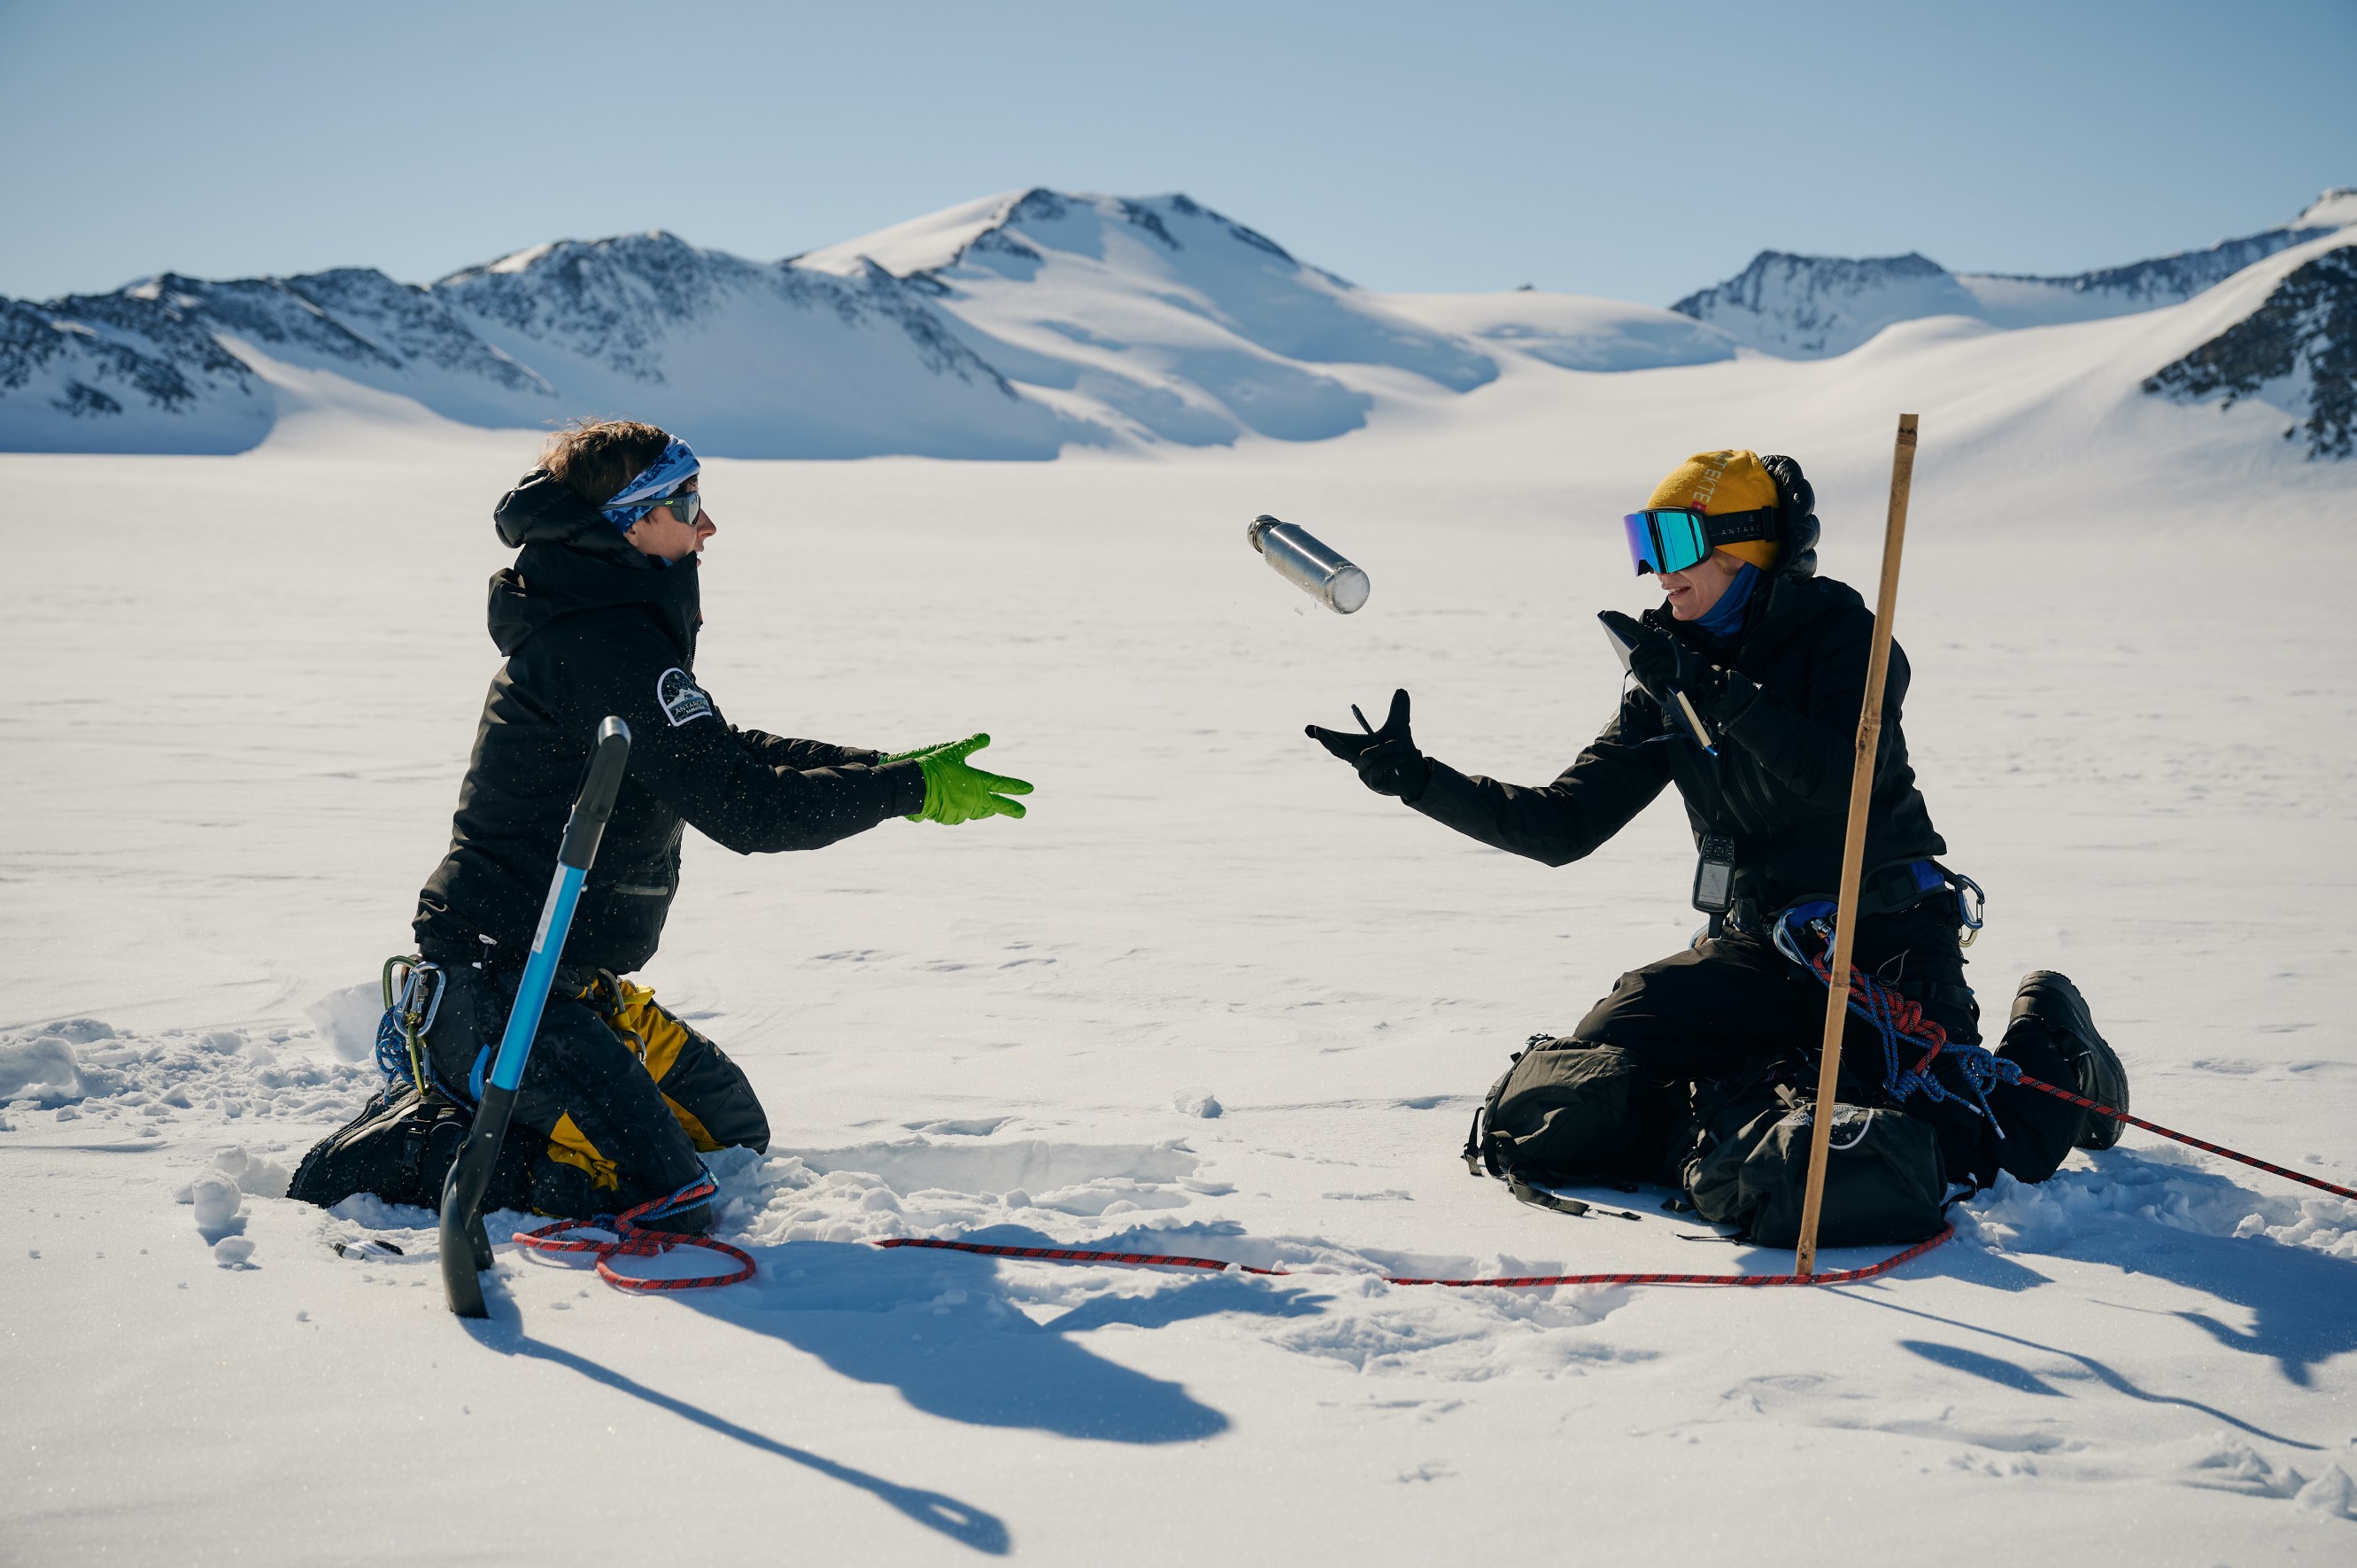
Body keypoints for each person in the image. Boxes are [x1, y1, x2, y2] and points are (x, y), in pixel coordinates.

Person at [1307, 449, 2127, 1193]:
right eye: (1643, 545)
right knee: (1605, 1067)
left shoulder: (1844, 638)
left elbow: (1842, 776)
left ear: (1745, 545)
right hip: (1757, 951)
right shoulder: (1666, 676)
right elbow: (1562, 827)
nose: (1652, 572)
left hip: (1886, 947)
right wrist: (1420, 782)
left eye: (1669, 544)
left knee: (1972, 1146)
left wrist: (1715, 693)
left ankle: (2055, 1036)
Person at [392, 420, 1032, 1231]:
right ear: (628, 524)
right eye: (684, 501)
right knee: (665, 1198)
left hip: (572, 984)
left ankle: (530, 1093)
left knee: (730, 1132)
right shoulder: (599, 645)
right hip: (498, 993)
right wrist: (904, 790)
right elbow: (747, 808)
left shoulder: (613, 624)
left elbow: (722, 753)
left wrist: (884, 768)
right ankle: (422, 1143)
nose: (707, 523)